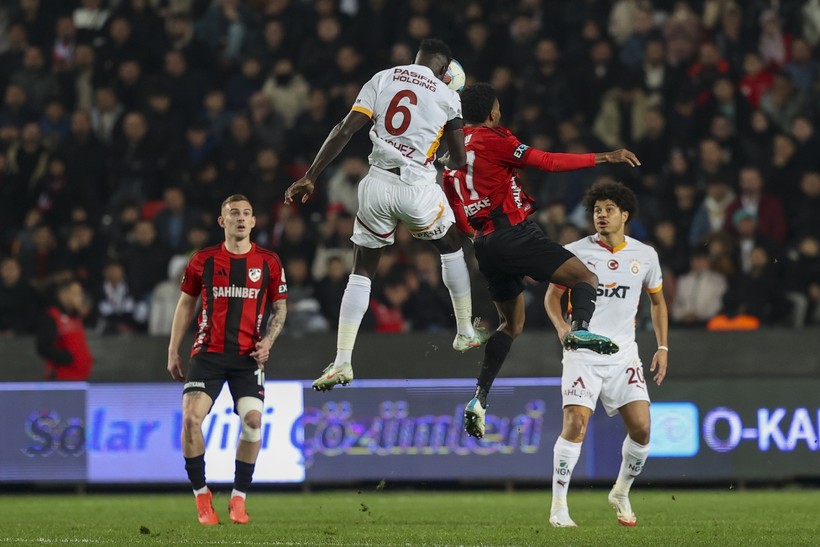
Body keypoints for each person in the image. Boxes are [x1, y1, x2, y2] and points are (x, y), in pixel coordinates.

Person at [284, 38, 487, 392]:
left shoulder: (383, 78)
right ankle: (465, 331)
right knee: (451, 245)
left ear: (416, 60)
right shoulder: (446, 95)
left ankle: (343, 360)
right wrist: (437, 157)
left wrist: (310, 176)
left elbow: (344, 130)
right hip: (415, 187)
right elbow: (457, 159)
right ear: (443, 71)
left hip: (376, 183)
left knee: (362, 269)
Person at [441, 82, 640, 438]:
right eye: (498, 107)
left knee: (511, 325)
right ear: (492, 113)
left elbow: (456, 210)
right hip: (514, 234)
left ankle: (479, 398)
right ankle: (578, 329)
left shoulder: (449, 155)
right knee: (585, 279)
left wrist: (477, 236)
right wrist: (604, 157)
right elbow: (546, 161)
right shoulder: (494, 140)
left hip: (485, 244)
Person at [544, 180, 668, 528]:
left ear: (624, 215)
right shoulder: (574, 251)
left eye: (609, 209)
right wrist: (561, 327)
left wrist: (662, 346)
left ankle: (621, 492)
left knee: (642, 429)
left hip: (624, 355)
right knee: (576, 424)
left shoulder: (645, 255)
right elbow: (552, 297)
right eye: (597, 210)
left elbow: (657, 303)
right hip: (582, 351)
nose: (601, 215)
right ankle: (558, 508)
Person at [166, 194, 288, 526]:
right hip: (207, 355)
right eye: (234, 213)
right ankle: (202, 495)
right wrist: (172, 349)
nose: (241, 218)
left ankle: (238, 499)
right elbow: (185, 304)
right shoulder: (202, 260)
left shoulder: (268, 261)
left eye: (247, 213)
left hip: (248, 357)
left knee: (252, 422)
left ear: (253, 222)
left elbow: (280, 307)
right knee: (191, 419)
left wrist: (268, 342)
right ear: (222, 221)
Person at [35, 278, 94, 381]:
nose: (80, 297)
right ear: (63, 295)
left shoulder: (76, 316)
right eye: (75, 293)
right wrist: (68, 358)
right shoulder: (52, 316)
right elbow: (43, 347)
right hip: (62, 378)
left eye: (80, 293)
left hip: (81, 377)